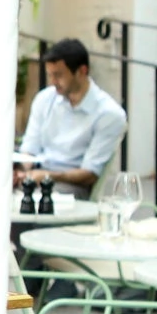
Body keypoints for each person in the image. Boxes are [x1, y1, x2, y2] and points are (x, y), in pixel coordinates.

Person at [17, 38, 126, 197]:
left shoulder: (109, 114)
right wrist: (23, 171)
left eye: (59, 75)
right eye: (50, 75)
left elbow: (90, 174)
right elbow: (29, 150)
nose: (53, 82)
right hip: (37, 175)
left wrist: (47, 176)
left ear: (82, 71)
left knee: (39, 198)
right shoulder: (45, 99)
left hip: (71, 184)